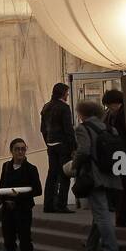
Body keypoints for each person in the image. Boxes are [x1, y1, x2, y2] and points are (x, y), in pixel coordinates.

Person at [70, 101, 122, 251]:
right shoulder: (110, 128)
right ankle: (91, 245)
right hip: (111, 173)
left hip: (93, 175)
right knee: (100, 211)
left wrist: (74, 165)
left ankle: (111, 250)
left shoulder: (82, 128)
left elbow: (84, 150)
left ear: (82, 113)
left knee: (101, 213)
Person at [0, 138, 42, 251]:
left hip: (23, 210)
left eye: (23, 149)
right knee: (9, 241)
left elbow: (37, 190)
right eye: (17, 149)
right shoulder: (6, 166)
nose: (20, 152)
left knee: (25, 241)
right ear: (11, 151)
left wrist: (18, 197)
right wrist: (5, 200)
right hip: (7, 210)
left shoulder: (31, 169)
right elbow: (2, 187)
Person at [40, 83, 75, 213]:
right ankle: (61, 204)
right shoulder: (64, 108)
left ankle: (48, 204)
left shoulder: (46, 107)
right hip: (63, 145)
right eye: (66, 92)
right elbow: (68, 129)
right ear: (62, 93)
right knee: (65, 174)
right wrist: (73, 147)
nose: (67, 95)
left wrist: (47, 142)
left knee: (52, 175)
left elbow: (42, 129)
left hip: (51, 144)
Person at [102, 89, 126, 228]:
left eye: (110, 105)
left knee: (122, 187)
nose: (109, 109)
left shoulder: (120, 115)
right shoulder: (116, 114)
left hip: (121, 155)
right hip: (120, 155)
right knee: (121, 187)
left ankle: (123, 218)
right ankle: (124, 217)